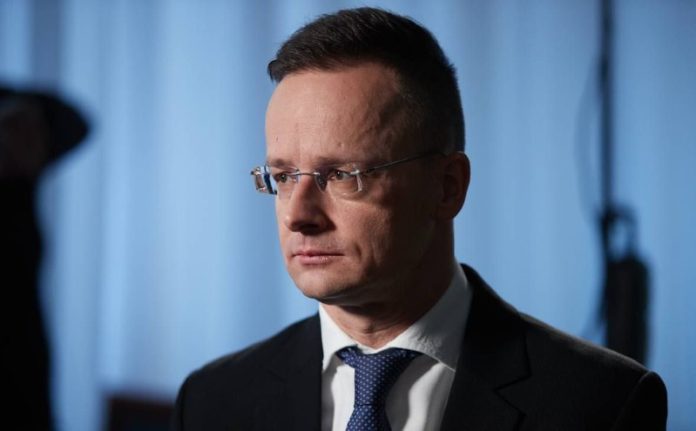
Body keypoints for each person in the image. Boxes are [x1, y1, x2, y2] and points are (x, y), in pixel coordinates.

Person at [172, 7, 667, 430]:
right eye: (283, 177)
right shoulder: (211, 402)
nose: (299, 216)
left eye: (341, 175)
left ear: (447, 186)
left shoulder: (603, 404)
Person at [1, 85, 89, 430]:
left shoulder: (21, 189)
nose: (29, 142)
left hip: (25, 368)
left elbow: (74, 124)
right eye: (15, 129)